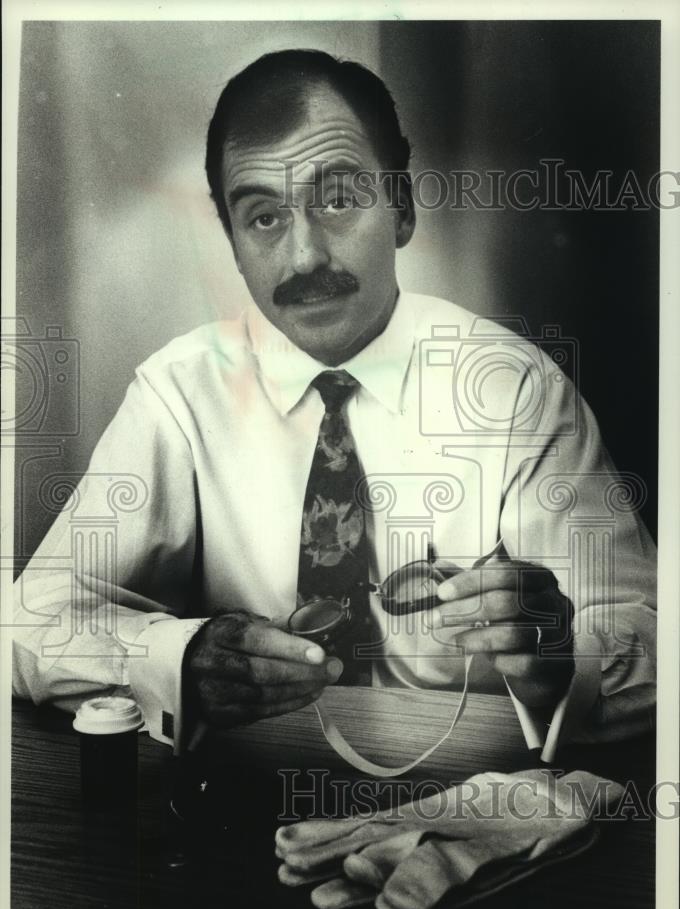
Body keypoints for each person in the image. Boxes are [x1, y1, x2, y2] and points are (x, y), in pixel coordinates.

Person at [13, 49, 656, 758]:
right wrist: (175, 657)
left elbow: (651, 639)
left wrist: (563, 660)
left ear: (402, 210)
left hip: (466, 799)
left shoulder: (514, 389)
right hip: (239, 810)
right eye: (263, 219)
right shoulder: (177, 394)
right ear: (231, 243)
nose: (304, 258)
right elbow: (23, 625)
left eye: (340, 200)